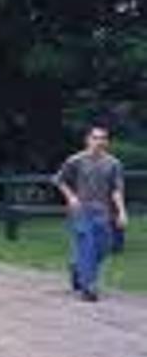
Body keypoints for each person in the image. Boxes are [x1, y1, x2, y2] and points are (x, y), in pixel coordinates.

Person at [54, 126, 128, 302]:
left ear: (107, 142)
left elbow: (116, 190)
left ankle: (76, 267)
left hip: (103, 212)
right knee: (88, 246)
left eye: (103, 138)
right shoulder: (75, 160)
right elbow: (59, 180)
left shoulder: (114, 164)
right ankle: (89, 288)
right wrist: (71, 197)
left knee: (104, 247)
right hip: (81, 211)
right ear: (88, 140)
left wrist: (122, 212)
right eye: (95, 138)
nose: (99, 141)